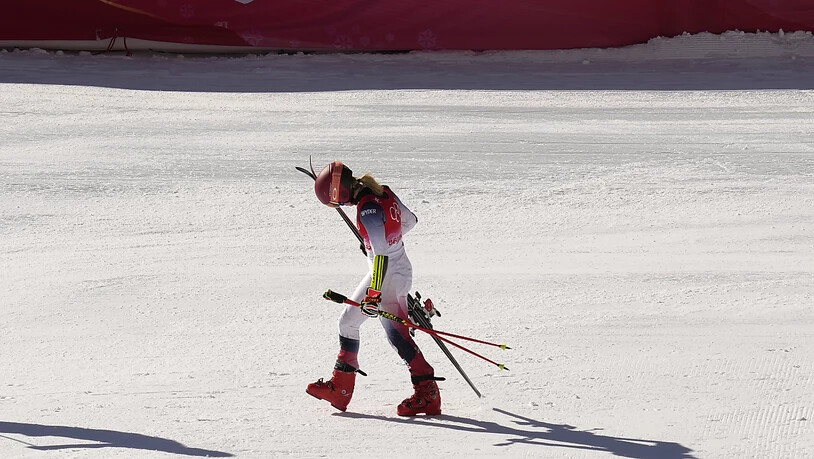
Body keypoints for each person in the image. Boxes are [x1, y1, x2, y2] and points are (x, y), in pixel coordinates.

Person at [305, 160, 442, 416]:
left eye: (339, 203)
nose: (343, 207)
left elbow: (380, 256)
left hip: (387, 276)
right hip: (394, 269)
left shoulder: (367, 210)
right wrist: (375, 240)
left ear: (340, 194)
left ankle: (427, 392)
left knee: (397, 336)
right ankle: (340, 389)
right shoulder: (384, 191)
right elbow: (410, 222)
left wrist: (373, 294)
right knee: (347, 322)